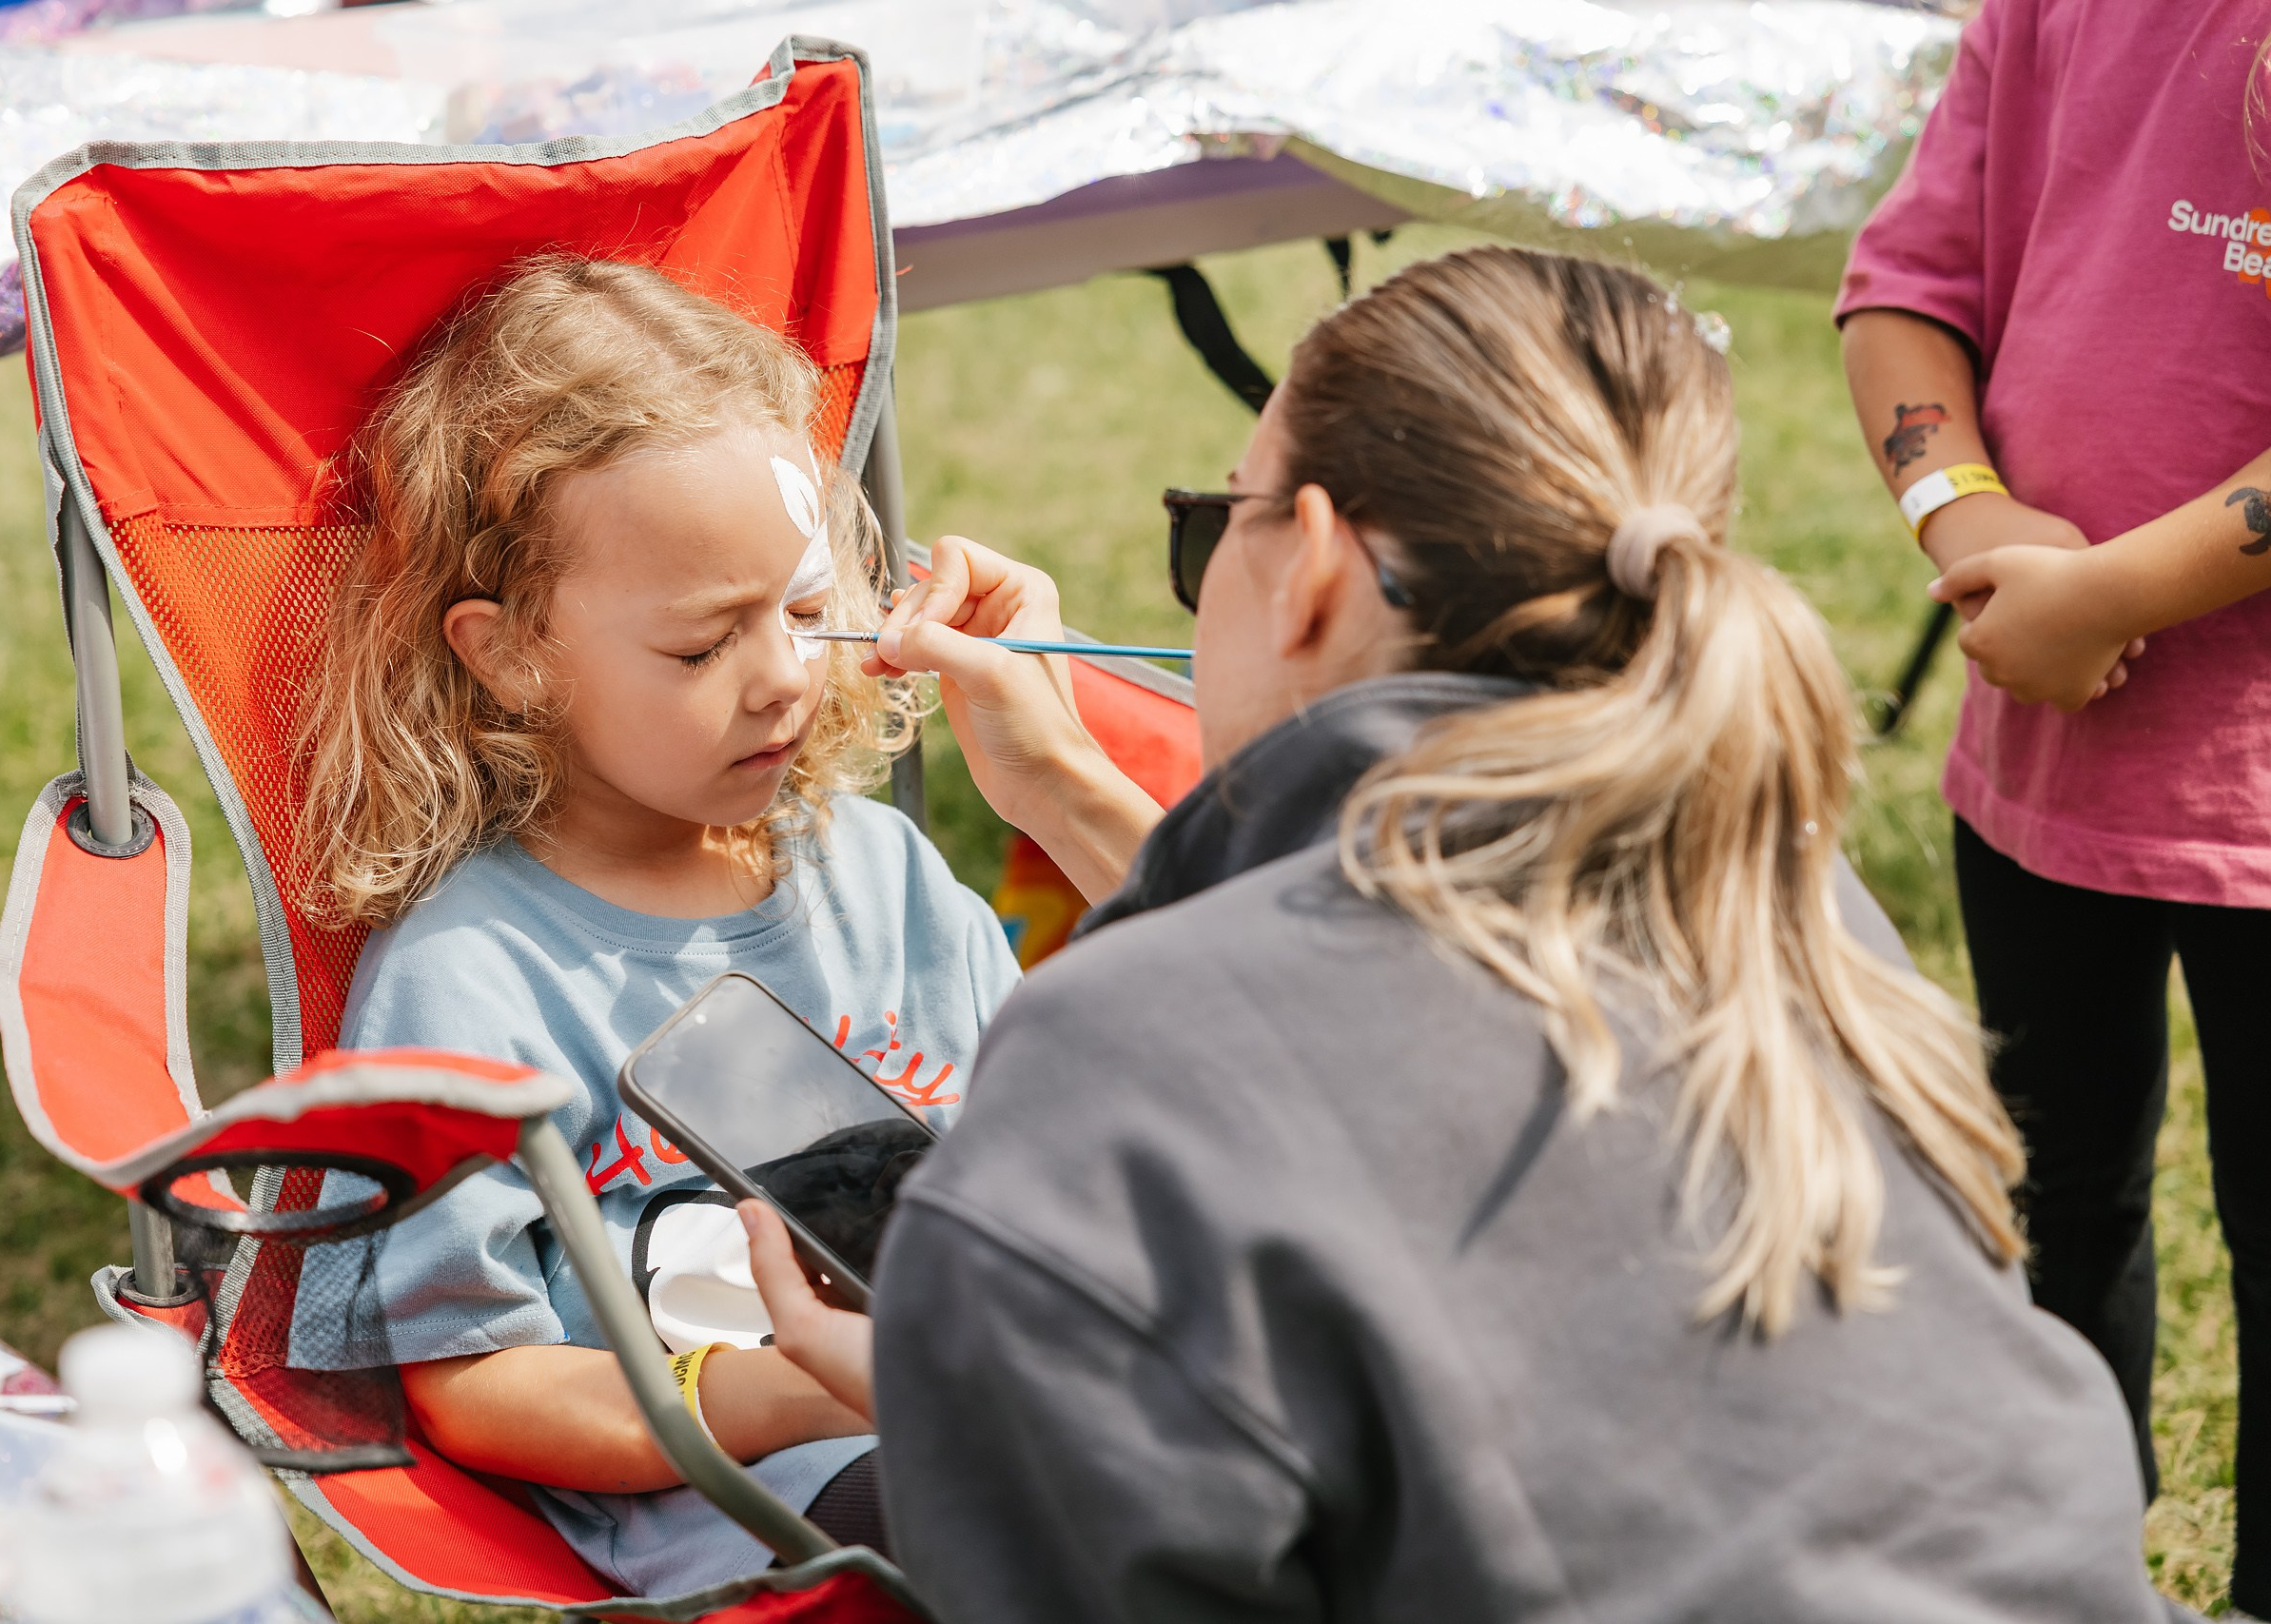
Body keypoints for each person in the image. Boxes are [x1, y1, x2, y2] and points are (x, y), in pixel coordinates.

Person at [740, 245, 2187, 1620]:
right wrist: (1072, 793)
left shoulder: (1119, 1059)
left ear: (1308, 557)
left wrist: (968, 1395)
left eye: (1214, 525)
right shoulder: (1797, 909)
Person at [289, 256, 1022, 1595]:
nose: (785, 677)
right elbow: (470, 1376)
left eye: (807, 612)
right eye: (702, 648)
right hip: (769, 1509)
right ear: (509, 650)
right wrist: (791, 1396)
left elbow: (1050, 1155)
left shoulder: (884, 878)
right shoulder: (475, 978)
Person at [1836, 4, 2271, 1605]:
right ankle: (2056, 1572)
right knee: (2045, 1194)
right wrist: (1970, 519)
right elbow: (1904, 294)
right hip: (2044, 773)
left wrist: (2102, 593)